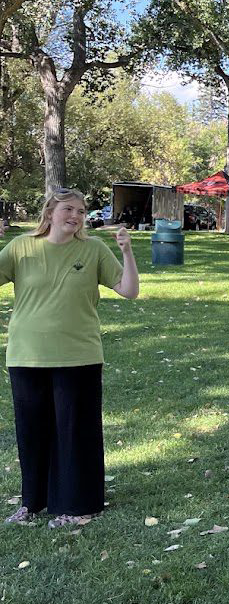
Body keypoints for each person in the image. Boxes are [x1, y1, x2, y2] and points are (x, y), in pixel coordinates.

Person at [2, 188, 139, 528]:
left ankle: (80, 506)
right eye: (68, 209)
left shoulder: (92, 249)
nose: (76, 216)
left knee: (75, 432)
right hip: (27, 355)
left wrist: (127, 251)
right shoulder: (21, 247)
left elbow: (128, 289)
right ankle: (33, 503)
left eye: (80, 211)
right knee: (31, 433)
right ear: (50, 212)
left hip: (78, 356)